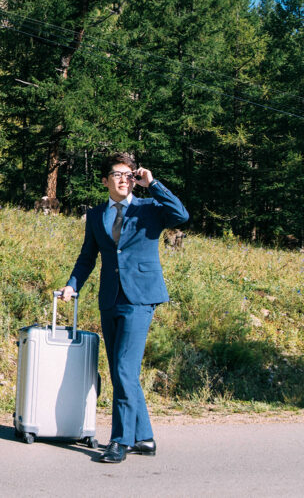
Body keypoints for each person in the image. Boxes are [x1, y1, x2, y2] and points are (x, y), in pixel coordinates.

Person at [59, 152, 189, 463]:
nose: (124, 179)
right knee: (122, 374)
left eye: (129, 174)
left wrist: (152, 183)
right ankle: (144, 437)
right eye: (117, 174)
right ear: (105, 180)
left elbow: (181, 216)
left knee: (123, 368)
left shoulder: (149, 209)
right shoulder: (96, 215)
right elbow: (88, 256)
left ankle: (120, 441)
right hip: (110, 298)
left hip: (140, 298)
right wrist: (72, 284)